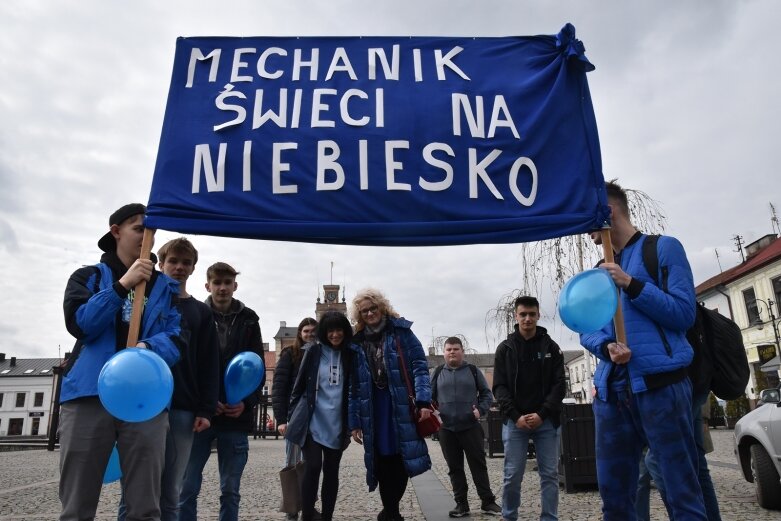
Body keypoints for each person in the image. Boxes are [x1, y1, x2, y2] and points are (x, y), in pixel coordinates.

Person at [580, 180, 707, 520]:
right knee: (616, 499)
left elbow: (684, 314)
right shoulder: (597, 272)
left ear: (608, 211)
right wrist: (606, 346)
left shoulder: (662, 249)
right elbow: (588, 330)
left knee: (682, 493)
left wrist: (632, 285)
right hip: (611, 394)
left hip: (661, 389)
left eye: (588, 215)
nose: (584, 227)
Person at [60, 203, 181, 521]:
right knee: (76, 505)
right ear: (116, 231)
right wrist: (121, 286)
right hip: (88, 396)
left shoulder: (166, 287)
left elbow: (176, 338)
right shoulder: (86, 277)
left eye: (151, 231)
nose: (146, 236)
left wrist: (148, 346)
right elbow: (81, 325)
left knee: (144, 507)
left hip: (145, 400)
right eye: (139, 228)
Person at [179, 262, 264, 521]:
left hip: (235, 418)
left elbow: (256, 367)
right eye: (217, 283)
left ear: (235, 286)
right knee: (187, 488)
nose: (223, 288)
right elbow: (189, 366)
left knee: (230, 490)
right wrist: (205, 402)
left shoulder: (250, 320)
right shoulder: (194, 314)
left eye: (227, 283)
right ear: (208, 285)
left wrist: (246, 403)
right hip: (201, 416)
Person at [349, 288, 433, 521]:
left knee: (402, 459)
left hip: (400, 404)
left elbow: (419, 366)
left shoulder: (401, 331)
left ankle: (389, 512)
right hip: (373, 407)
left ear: (382, 306)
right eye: (364, 311)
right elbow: (353, 386)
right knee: (382, 460)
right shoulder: (356, 343)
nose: (369, 313)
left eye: (373, 308)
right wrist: (354, 421)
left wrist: (424, 400)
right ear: (359, 314)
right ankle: (392, 513)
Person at [492, 295, 565, 521]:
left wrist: (542, 414)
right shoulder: (505, 349)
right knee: (512, 475)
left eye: (532, 314)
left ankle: (549, 518)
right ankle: (509, 516)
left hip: (546, 422)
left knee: (550, 475)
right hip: (515, 422)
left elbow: (559, 385)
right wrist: (515, 416)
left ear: (538, 315)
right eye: (523, 314)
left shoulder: (551, 347)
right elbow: (499, 387)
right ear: (516, 316)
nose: (527, 319)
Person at [286, 312, 359, 521]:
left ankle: (327, 516)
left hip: (337, 422)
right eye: (330, 330)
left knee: (331, 470)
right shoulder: (314, 351)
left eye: (339, 330)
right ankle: (308, 514)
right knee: (313, 466)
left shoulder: (350, 354)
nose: (335, 335)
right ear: (323, 333)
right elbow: (298, 387)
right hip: (313, 421)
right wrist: (293, 417)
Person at [431, 337, 501, 517]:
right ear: (444, 353)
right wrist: (435, 415)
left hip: (470, 427)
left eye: (455, 349)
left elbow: (486, 394)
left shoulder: (473, 370)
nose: (452, 352)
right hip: (447, 430)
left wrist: (480, 410)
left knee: (478, 465)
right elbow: (429, 399)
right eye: (448, 349)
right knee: (455, 468)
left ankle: (488, 502)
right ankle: (461, 504)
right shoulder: (438, 372)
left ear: (462, 351)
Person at [273, 316, 318, 521]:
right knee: (292, 463)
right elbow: (279, 389)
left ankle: (308, 506)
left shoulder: (321, 354)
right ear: (300, 333)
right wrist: (281, 419)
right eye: (306, 331)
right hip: (294, 417)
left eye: (313, 331)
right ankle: (292, 507)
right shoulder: (289, 354)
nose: (310, 334)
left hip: (317, 418)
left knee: (312, 464)